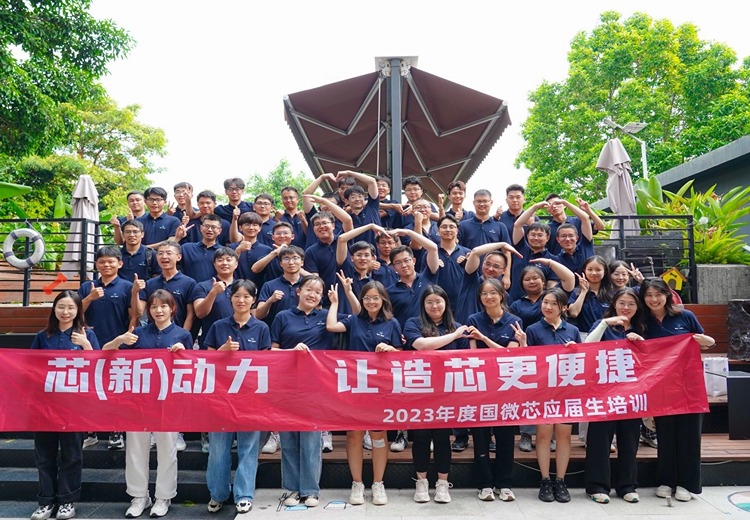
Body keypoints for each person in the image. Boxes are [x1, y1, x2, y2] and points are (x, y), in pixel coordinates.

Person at [103, 290, 192, 518]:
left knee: (167, 448)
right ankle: (139, 496)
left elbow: (192, 369)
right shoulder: (138, 333)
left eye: (163, 306)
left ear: (172, 308)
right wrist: (119, 340)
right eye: (153, 307)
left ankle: (164, 496)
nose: (158, 310)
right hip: (138, 401)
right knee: (135, 448)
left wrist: (183, 354)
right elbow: (105, 353)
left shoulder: (183, 335)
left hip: (168, 400)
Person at [271, 275, 347, 507]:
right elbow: (271, 352)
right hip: (287, 385)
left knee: (311, 440)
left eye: (317, 292)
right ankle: (292, 489)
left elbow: (358, 319)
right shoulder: (283, 317)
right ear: (298, 291)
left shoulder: (326, 317)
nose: (312, 295)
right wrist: (291, 352)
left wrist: (336, 303)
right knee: (289, 440)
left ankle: (311, 490)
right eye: (308, 290)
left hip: (316, 387)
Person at [326, 281, 403, 506]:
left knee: (378, 436)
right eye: (367, 298)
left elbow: (401, 354)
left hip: (380, 389)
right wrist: (335, 302)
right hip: (355, 388)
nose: (371, 302)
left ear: (383, 300)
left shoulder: (392, 323)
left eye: (375, 298)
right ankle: (357, 483)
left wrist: (390, 349)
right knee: (354, 435)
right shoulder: (353, 320)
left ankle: (378, 483)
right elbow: (331, 326)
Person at [639, 277, 715, 502]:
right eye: (648, 295)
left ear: (667, 295)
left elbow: (705, 342)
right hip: (660, 387)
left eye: (658, 294)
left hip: (688, 386)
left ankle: (687, 484)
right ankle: (666, 481)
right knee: (666, 436)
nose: (654, 299)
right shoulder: (642, 322)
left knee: (689, 436)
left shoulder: (685, 316)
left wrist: (706, 340)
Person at [202, 280, 271, 518]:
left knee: (248, 448)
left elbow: (267, 364)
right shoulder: (218, 326)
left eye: (246, 296)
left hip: (250, 399)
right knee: (218, 450)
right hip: (220, 398)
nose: (241, 300)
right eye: (237, 296)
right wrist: (222, 352)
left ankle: (244, 495)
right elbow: (206, 360)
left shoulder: (261, 328)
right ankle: (218, 494)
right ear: (230, 298)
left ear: (254, 300)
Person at [29, 291, 99, 520]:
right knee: (44, 456)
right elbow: (28, 368)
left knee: (71, 455)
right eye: (61, 307)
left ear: (78, 310)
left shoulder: (87, 335)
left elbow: (98, 369)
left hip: (74, 407)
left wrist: (86, 345)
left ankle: (67, 501)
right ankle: (46, 501)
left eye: (71, 307)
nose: (65, 312)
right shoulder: (43, 336)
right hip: (45, 407)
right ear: (54, 309)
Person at [514, 287, 581, 503]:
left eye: (553, 303)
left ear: (564, 308)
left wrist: (575, 350)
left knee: (563, 437)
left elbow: (582, 361)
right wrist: (523, 344)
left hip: (566, 392)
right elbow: (527, 362)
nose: (548, 307)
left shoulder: (572, 330)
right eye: (545, 302)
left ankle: (560, 480)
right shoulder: (532, 329)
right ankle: (544, 479)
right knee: (542, 436)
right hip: (542, 392)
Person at [403, 285, 469, 504]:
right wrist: (454, 336)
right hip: (420, 391)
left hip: (447, 391)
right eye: (429, 302)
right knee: (421, 437)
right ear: (423, 304)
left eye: (438, 301)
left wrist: (456, 333)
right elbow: (421, 346)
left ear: (446, 303)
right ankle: (421, 482)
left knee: (442, 438)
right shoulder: (413, 324)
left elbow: (465, 358)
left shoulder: (456, 326)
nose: (434, 306)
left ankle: (442, 483)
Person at [583, 287, 646, 504]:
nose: (626, 307)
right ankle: (597, 486)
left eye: (631, 304)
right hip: (603, 393)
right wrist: (604, 324)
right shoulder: (603, 324)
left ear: (637, 307)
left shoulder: (642, 326)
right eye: (622, 303)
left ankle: (627, 486)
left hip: (632, 394)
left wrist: (641, 343)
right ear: (614, 305)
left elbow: (653, 357)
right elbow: (587, 347)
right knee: (599, 440)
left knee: (629, 441)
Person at [78, 245, 140, 451]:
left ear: (120, 264)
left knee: (115, 390)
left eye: (111, 261)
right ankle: (90, 431)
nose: (106, 265)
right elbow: (74, 312)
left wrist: (127, 337)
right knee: (89, 390)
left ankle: (116, 431)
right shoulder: (87, 287)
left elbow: (135, 315)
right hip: (89, 346)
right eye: (102, 262)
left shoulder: (126, 286)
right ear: (96, 264)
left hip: (117, 346)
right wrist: (89, 298)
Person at [465, 278, 522, 502]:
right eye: (484, 294)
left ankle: (504, 484)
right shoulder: (473, 319)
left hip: (506, 386)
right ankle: (485, 484)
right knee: (480, 438)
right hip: (481, 387)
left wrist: (483, 339)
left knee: (505, 437)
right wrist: (484, 343)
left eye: (493, 293)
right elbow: (473, 355)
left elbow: (510, 355)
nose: (489, 297)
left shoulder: (514, 321)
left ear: (501, 295)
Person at [568, 255, 614, 333]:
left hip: (606, 336)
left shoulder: (611, 293)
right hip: (583, 336)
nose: (594, 273)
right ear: (584, 271)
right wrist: (583, 292)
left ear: (605, 271)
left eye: (598, 270)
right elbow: (573, 313)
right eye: (590, 269)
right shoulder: (576, 292)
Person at [179, 213, 223, 282]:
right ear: (201, 228)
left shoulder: (223, 252)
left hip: (214, 287)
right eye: (206, 226)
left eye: (213, 227)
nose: (209, 230)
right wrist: (177, 237)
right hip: (189, 288)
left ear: (219, 231)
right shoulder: (187, 248)